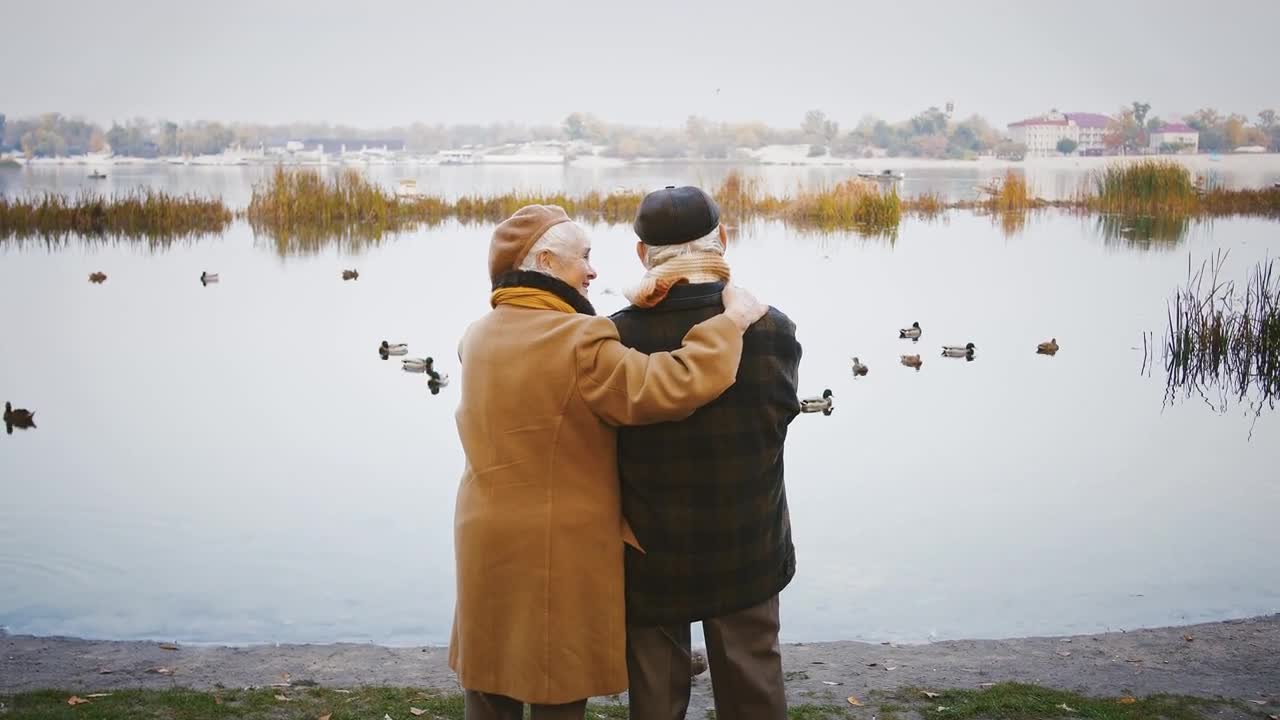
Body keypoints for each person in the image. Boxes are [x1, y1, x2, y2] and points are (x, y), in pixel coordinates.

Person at [449, 204, 769, 720]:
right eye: (586, 258)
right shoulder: (579, 340)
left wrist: (636, 300)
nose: (594, 271)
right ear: (549, 262)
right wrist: (731, 322)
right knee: (554, 680)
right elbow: (672, 383)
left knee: (491, 676)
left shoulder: (478, 336)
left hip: (482, 530)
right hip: (557, 542)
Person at [611, 186, 802, 720]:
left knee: (655, 690)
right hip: (747, 538)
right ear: (722, 238)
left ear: (642, 252)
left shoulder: (614, 335)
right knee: (753, 683)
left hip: (649, 546)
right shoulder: (771, 327)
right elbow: (779, 419)